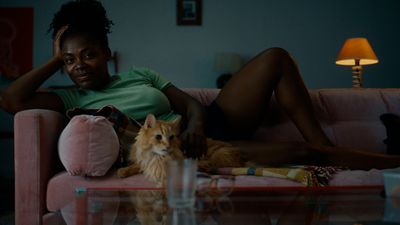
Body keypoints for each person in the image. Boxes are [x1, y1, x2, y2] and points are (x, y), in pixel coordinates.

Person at [1, 0, 399, 170]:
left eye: (87, 54)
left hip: (209, 121)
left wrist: (195, 124)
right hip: (192, 148)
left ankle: (326, 144)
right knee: (304, 155)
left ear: (106, 52)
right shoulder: (70, 97)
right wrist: (57, 54)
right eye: (69, 61)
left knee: (275, 55)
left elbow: (191, 104)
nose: (79, 66)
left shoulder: (140, 73)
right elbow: (11, 99)